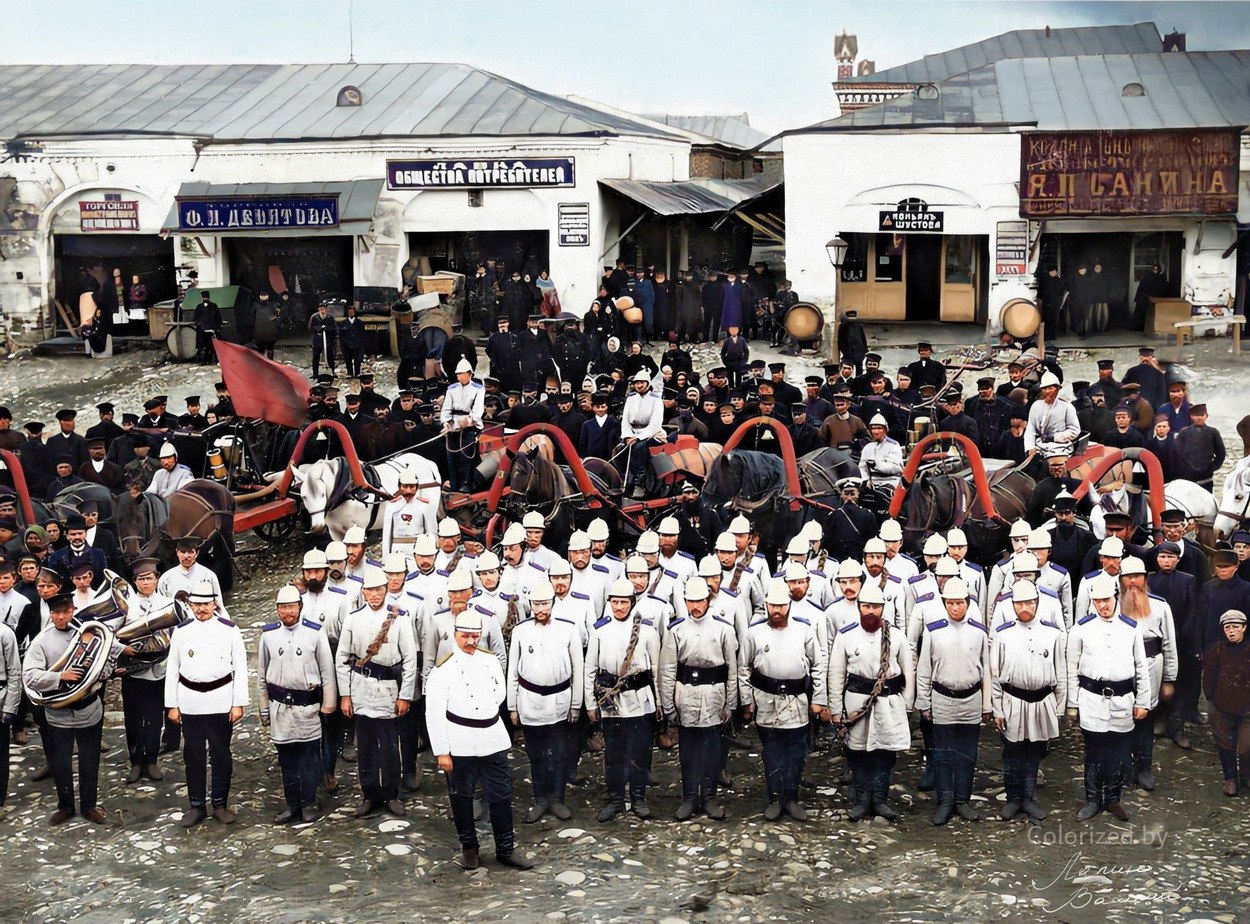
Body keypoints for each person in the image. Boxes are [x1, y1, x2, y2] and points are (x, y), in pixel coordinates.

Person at [22, 592, 122, 825]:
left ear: (73, 611)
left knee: (90, 760)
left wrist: (101, 669)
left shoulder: (90, 634)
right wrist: (60, 676)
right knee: (61, 762)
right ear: (50, 613)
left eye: (65, 611)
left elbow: (106, 667)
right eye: (56, 612)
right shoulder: (41, 641)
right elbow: (30, 676)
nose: (60, 617)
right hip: (58, 711)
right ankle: (65, 806)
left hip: (89, 708)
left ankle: (89, 806)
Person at [740, 578, 827, 821]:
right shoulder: (754, 632)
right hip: (766, 700)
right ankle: (774, 799)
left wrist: (818, 698)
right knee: (771, 752)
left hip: (796, 700)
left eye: (781, 606)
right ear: (766, 605)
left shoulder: (804, 631)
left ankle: (792, 798)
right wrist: (747, 700)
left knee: (796, 752)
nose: (776, 610)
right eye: (772, 606)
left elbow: (818, 665)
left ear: (789, 605)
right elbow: (743, 668)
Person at [1066, 574, 1150, 821]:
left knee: (1119, 752)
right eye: (1097, 601)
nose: (1102, 606)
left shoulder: (1131, 628)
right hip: (1092, 699)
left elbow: (1141, 666)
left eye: (1106, 600)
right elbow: (1071, 668)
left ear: (1116, 597)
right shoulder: (1081, 629)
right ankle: (1093, 800)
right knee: (1094, 752)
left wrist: (1143, 701)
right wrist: (1073, 704)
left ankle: (1113, 799)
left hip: (1123, 700)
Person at [337, 564, 418, 818]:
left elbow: (410, 660)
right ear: (363, 592)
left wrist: (405, 695)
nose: (374, 595)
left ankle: (392, 794)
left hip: (389, 691)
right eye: (370, 590)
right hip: (362, 689)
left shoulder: (399, 619)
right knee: (366, 749)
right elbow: (342, 658)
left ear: (386, 590)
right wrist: (346, 694)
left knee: (391, 748)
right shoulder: (353, 619)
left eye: (379, 589)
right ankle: (370, 795)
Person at [165, 580, 249, 828]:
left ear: (214, 604)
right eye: (196, 604)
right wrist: (172, 704)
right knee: (193, 754)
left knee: (221, 753)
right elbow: (172, 669)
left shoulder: (230, 630)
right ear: (190, 605)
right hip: (190, 701)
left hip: (220, 700)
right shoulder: (181, 631)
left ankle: (220, 803)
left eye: (205, 604)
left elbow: (240, 667)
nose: (201, 609)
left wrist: (238, 702)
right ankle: (197, 805)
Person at [829, 581, 914, 821]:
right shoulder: (845, 636)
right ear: (859, 607)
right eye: (866, 606)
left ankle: (880, 800)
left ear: (882, 609)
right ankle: (861, 800)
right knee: (858, 753)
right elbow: (836, 674)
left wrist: (907, 705)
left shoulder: (896, 636)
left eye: (875, 607)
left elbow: (908, 673)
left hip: (889, 703)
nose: (870, 611)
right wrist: (835, 709)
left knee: (885, 753)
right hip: (857, 703)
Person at [659, 575, 738, 821]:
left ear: (708, 600)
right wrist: (669, 706)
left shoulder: (723, 629)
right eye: (691, 601)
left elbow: (732, 669)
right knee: (688, 752)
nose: (696, 606)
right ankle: (689, 798)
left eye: (700, 601)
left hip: (714, 695)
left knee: (712, 750)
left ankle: (709, 798)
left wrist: (730, 704)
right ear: (685, 602)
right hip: (686, 695)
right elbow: (667, 670)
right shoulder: (676, 630)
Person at [258, 584, 338, 824]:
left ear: (300, 607)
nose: (287, 612)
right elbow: (262, 677)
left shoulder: (315, 633)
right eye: (282, 608)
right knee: (287, 761)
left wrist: (328, 705)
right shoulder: (268, 636)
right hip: (280, 710)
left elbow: (327, 672)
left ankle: (309, 802)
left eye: (291, 607)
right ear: (277, 610)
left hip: (307, 708)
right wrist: (264, 709)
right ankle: (292, 805)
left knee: (310, 758)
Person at [506, 577, 582, 823]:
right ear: (530, 605)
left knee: (559, 754)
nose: (541, 609)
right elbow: (512, 672)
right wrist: (512, 706)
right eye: (536, 604)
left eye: (545, 604)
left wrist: (576, 704)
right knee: (536, 754)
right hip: (530, 702)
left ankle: (557, 800)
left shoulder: (568, 629)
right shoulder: (520, 631)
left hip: (560, 701)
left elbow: (578, 670)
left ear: (553, 603)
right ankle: (540, 800)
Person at [991, 580, 1067, 823]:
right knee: (1013, 752)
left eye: (1030, 603)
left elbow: (1061, 672)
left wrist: (1059, 708)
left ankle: (1028, 797)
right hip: (1013, 700)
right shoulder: (1003, 634)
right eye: (1020, 603)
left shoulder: (1052, 633)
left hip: (1042, 701)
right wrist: (997, 708)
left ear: (1037, 603)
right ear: (1013, 605)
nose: (1025, 608)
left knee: (1035, 751)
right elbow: (995, 674)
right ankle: (1013, 799)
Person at [585, 578, 661, 821]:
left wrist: (660, 703)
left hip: (640, 700)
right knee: (614, 753)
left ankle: (639, 798)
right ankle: (616, 799)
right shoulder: (600, 630)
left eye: (624, 602)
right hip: (612, 702)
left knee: (640, 751)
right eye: (615, 602)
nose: (619, 607)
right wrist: (590, 704)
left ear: (632, 602)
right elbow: (590, 669)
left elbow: (656, 670)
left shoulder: (646, 630)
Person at [1117, 557, 1177, 792]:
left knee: (1145, 720)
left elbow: (1169, 644)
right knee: (1121, 719)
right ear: (1121, 580)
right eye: (1128, 577)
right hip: (1122, 668)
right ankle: (1124, 769)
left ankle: (1144, 769)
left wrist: (1169, 679)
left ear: (1145, 579)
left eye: (1137, 577)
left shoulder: (1160, 606)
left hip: (1152, 666)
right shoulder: (1112, 605)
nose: (1132, 582)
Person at [121, 558, 172, 783]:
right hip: (133, 669)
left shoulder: (167, 603)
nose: (145, 583)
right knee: (133, 717)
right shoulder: (126, 604)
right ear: (134, 581)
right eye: (140, 579)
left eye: (149, 578)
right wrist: (125, 650)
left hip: (159, 668)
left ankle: (151, 760)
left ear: (156, 579)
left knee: (154, 717)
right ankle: (136, 761)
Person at [1201, 609, 1250, 796]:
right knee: (1225, 745)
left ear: (1244, 628)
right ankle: (1230, 779)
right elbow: (1208, 677)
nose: (1231, 631)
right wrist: (1211, 700)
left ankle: (1245, 776)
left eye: (1235, 627)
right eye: (1227, 627)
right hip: (1221, 707)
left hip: (1247, 709)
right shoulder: (1217, 650)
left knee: (1246, 745)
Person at [1175, 403, 1225, 492]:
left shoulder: (1213, 432)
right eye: (1195, 415)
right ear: (1191, 416)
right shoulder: (1184, 432)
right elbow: (1177, 453)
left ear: (1206, 416)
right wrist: (1184, 469)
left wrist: (1211, 467)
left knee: (1206, 498)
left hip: (1206, 477)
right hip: (1187, 476)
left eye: (1201, 415)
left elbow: (1221, 453)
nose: (1198, 418)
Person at [308, 303, 338, 380]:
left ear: (326, 309)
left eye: (324, 309)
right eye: (321, 309)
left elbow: (334, 328)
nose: (322, 311)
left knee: (330, 356)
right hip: (317, 340)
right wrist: (319, 328)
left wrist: (327, 328)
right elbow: (311, 327)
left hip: (327, 340)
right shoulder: (314, 317)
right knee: (316, 357)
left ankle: (332, 372)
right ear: (318, 309)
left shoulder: (330, 317)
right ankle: (315, 374)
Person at [193, 290, 222, 364]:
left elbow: (218, 317)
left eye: (206, 297)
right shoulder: (199, 306)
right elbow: (195, 317)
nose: (205, 298)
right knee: (204, 345)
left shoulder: (213, 306)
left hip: (211, 329)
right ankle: (205, 360)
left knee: (211, 345)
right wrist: (198, 324)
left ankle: (212, 360)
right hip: (202, 330)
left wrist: (217, 328)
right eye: (204, 297)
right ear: (202, 298)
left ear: (208, 297)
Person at [836, 309, 867, 374]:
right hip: (848, 352)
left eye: (853, 317)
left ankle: (859, 378)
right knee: (848, 369)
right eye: (850, 317)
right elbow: (840, 340)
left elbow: (863, 338)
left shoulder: (859, 326)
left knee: (859, 369)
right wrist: (844, 351)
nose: (852, 319)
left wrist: (864, 350)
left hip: (859, 352)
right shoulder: (843, 326)